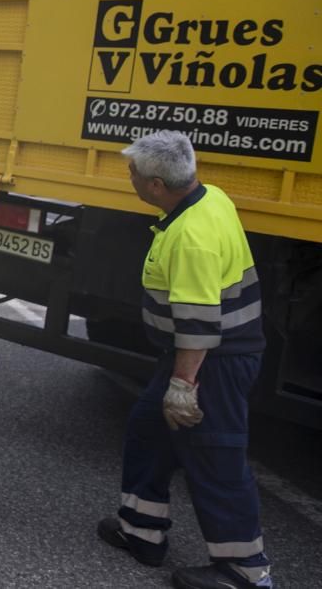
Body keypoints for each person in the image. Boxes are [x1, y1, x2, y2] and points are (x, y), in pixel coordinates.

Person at [98, 131, 272, 589]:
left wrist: (182, 386)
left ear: (157, 185)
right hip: (201, 354)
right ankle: (141, 529)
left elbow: (197, 325)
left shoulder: (191, 237)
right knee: (148, 431)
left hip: (213, 361)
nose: (129, 178)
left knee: (216, 456)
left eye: (133, 174)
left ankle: (245, 570)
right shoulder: (210, 197)